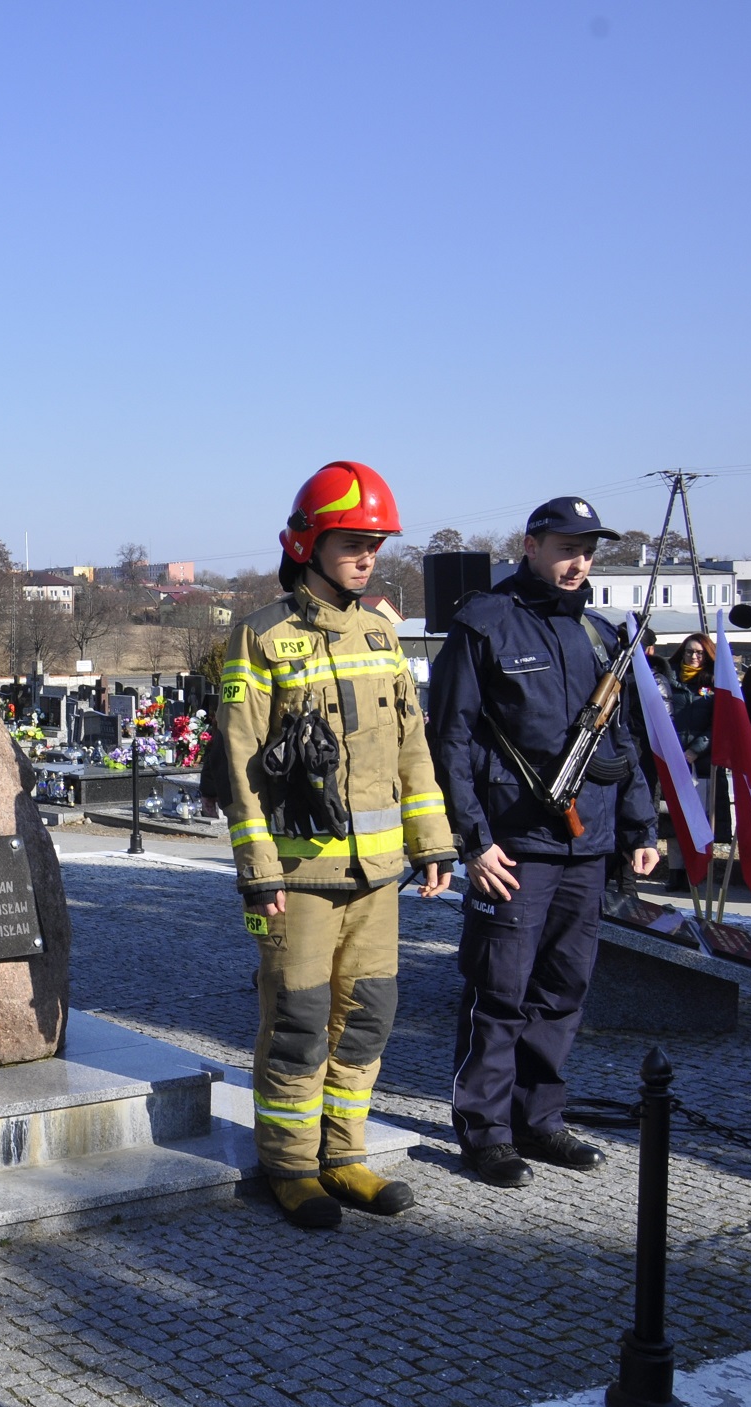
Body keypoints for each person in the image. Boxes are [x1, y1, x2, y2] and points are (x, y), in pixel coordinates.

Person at [218, 461, 456, 1229]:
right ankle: (290, 1167)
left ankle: (343, 1155)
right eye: (353, 541)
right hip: (296, 879)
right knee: (298, 1021)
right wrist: (259, 873)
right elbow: (240, 765)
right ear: (307, 544)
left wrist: (433, 843)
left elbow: (412, 747)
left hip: (378, 878)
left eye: (375, 544)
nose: (367, 556)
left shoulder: (383, 634)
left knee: (367, 1018)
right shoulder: (260, 637)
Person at [428, 496, 659, 1188]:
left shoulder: (599, 634)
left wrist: (640, 827)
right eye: (565, 548)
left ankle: (539, 1119)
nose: (578, 562)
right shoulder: (483, 623)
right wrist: (472, 839)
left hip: (587, 847)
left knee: (562, 990)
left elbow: (622, 742)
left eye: (587, 550)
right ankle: (486, 1132)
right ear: (530, 547)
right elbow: (451, 740)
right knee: (499, 991)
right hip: (515, 845)